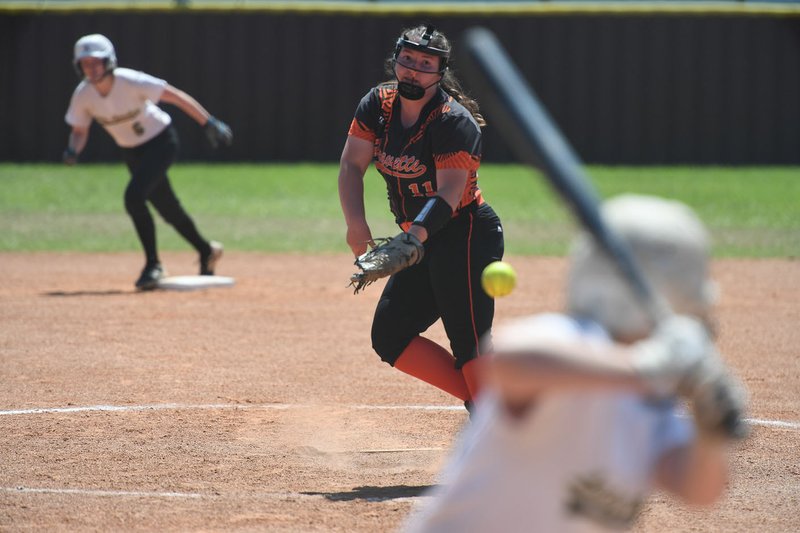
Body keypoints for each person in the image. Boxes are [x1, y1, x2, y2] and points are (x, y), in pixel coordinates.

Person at [403, 194, 748, 532]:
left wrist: (710, 433)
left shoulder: (653, 399)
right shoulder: (573, 341)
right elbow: (508, 357)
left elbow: (699, 490)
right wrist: (646, 368)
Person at [337, 25, 504, 411]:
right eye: (407, 59)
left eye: (426, 63)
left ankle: (494, 420)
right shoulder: (378, 104)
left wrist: (414, 239)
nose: (414, 69)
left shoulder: (452, 120)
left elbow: (449, 192)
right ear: (395, 59)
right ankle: (494, 406)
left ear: (441, 70)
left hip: (465, 233)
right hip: (418, 239)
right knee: (390, 335)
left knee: (468, 342)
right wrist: (356, 223)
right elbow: (351, 163)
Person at [63, 33, 232, 290]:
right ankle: (206, 250)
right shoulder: (83, 95)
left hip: (160, 142)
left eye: (96, 61)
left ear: (109, 61)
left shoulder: (130, 80)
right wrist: (73, 151)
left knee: (134, 197)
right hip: (131, 151)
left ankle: (153, 264)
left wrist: (208, 122)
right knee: (167, 207)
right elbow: (79, 131)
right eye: (85, 63)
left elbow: (174, 96)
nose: (92, 68)